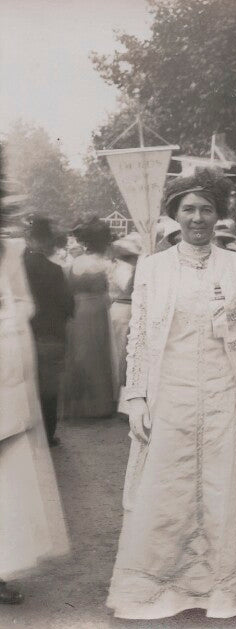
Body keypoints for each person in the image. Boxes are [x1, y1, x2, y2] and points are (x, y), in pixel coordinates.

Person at [106, 168, 236, 619]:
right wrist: (136, 397)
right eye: (188, 209)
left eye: (206, 209)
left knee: (221, 486)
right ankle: (161, 587)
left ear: (219, 215)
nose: (197, 218)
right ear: (174, 214)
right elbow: (139, 337)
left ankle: (221, 587)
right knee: (167, 485)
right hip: (171, 391)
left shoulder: (235, 265)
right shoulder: (153, 266)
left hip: (224, 391)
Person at [1, 235, 69, 604]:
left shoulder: (7, 254)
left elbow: (24, 303)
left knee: (6, 480)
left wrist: (7, 313)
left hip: (5, 376)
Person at [22, 217, 74, 446]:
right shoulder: (55, 270)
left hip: (23, 336)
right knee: (48, 390)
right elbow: (68, 305)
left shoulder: (16, 270)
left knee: (22, 387)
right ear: (46, 242)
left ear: (29, 239)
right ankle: (47, 434)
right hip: (51, 336)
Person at [61, 218, 115, 419]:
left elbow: (68, 289)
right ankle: (98, 405)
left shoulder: (75, 262)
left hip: (77, 310)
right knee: (98, 354)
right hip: (98, 309)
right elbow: (111, 292)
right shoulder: (105, 264)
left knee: (78, 354)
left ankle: (78, 405)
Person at [107, 232, 142, 406]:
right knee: (122, 353)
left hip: (123, 309)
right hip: (124, 310)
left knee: (123, 354)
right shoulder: (125, 269)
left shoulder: (126, 268)